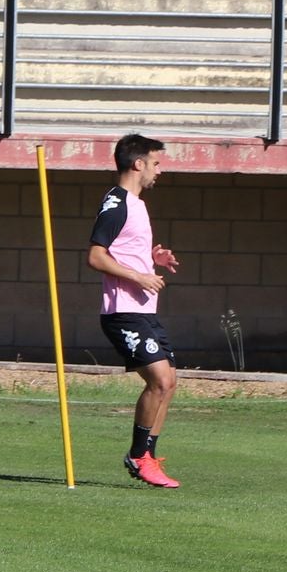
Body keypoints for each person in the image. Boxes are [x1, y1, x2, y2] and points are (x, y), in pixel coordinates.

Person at [88, 134, 181, 488]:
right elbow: (96, 256)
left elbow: (123, 249)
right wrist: (139, 275)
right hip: (122, 312)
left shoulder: (136, 204)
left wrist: (151, 259)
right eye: (156, 163)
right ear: (137, 163)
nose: (160, 170)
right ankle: (139, 457)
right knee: (158, 380)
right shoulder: (117, 202)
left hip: (143, 311)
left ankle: (147, 456)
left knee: (170, 382)